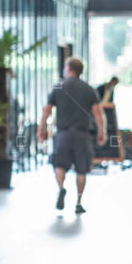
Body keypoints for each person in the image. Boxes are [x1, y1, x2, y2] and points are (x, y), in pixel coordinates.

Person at [38, 57, 106, 216]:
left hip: (63, 134)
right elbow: (98, 114)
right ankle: (79, 203)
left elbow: (46, 111)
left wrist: (41, 129)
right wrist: (102, 132)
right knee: (82, 170)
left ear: (67, 69)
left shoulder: (59, 86)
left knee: (59, 166)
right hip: (82, 135)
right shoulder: (89, 89)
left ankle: (61, 189)